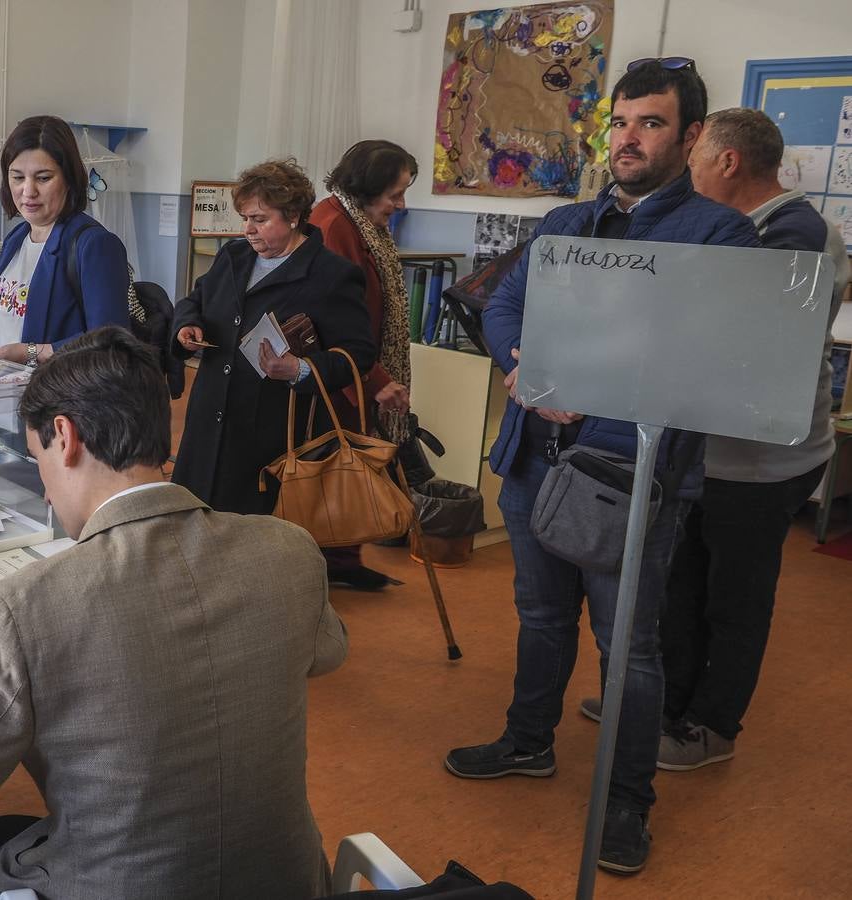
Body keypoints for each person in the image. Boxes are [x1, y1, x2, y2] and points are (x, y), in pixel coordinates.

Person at [0, 327, 347, 900]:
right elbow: (327, 651)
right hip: (290, 882)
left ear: (65, 437)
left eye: (36, 459)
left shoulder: (25, 607)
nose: (43, 491)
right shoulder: (288, 551)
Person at [446, 59, 760, 875]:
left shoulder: (716, 236)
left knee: (631, 650)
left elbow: (700, 358)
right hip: (530, 466)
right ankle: (527, 742)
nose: (627, 138)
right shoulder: (565, 221)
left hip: (628, 478)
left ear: (690, 137)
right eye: (619, 122)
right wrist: (522, 365)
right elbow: (504, 304)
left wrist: (579, 381)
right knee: (541, 618)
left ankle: (625, 801)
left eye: (649, 123)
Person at [648, 107, 849, 769]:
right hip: (711, 454)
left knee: (733, 596)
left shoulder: (795, 231)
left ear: (727, 161)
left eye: (695, 155)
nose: (688, 169)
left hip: (760, 461)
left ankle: (711, 725)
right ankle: (668, 704)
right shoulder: (741, 226)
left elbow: (741, 337)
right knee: (683, 584)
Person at [171, 158, 377, 515]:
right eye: (246, 218)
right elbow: (195, 300)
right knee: (193, 521)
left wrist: (300, 369)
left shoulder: (331, 274)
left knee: (249, 540)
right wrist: (187, 326)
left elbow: (359, 354)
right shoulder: (232, 256)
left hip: (269, 436)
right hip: (208, 422)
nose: (248, 230)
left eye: (260, 219)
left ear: (294, 215)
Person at [310, 140, 418, 590]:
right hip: (340, 374)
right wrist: (375, 380)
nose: (400, 204)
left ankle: (342, 560)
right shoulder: (333, 225)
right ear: (367, 186)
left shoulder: (360, 222)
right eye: (395, 193)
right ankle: (325, 563)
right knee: (333, 469)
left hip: (357, 371)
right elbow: (333, 317)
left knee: (347, 467)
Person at [0, 115, 130, 365]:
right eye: (17, 177)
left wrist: (33, 352)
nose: (28, 191)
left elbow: (112, 344)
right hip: (0, 396)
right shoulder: (16, 238)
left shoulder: (94, 244)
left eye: (43, 178)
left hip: (56, 398)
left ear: (69, 179)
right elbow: (23, 323)